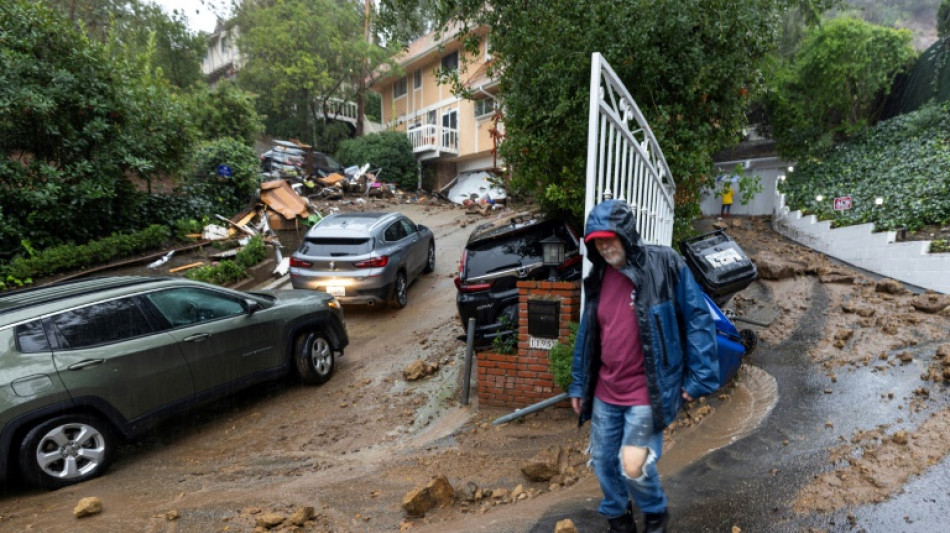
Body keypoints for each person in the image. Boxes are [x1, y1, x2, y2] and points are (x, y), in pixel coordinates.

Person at [567, 199, 719, 533]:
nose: (604, 247)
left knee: (633, 465)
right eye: (597, 241)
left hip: (647, 391)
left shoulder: (665, 263)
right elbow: (587, 333)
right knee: (603, 462)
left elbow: (697, 317)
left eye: (610, 238)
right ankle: (619, 518)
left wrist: (700, 376)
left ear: (626, 234)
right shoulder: (598, 276)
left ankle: (654, 513)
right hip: (606, 390)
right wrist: (579, 382)